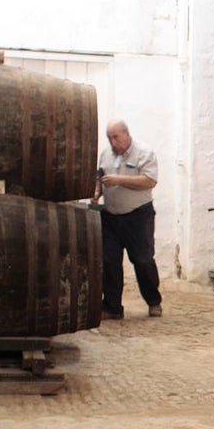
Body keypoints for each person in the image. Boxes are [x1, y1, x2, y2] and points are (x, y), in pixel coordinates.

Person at [93, 120, 163, 319]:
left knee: (142, 260)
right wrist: (97, 191)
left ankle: (154, 301)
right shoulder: (106, 155)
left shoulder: (144, 153)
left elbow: (150, 181)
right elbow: (100, 176)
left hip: (138, 216)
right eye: (109, 138)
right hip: (111, 217)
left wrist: (119, 180)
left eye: (116, 137)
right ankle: (112, 307)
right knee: (109, 261)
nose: (113, 142)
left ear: (127, 134)